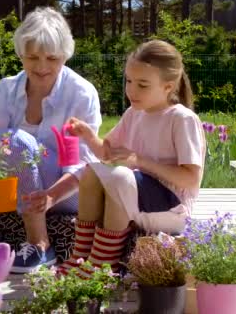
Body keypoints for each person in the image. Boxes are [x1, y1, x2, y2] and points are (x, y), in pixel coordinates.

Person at [0, 7, 101, 273]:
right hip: (12, 185)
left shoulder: (81, 93)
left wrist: (50, 197)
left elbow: (82, 166)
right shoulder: (6, 89)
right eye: (33, 57)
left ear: (65, 55)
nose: (41, 66)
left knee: (17, 141)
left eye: (52, 58)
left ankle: (39, 244)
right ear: (20, 54)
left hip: (66, 189)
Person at [58, 39, 206, 278]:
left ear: (168, 87)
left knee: (119, 177)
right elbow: (106, 153)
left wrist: (140, 161)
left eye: (143, 85)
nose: (131, 90)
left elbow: (190, 179)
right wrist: (87, 135)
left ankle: (105, 263)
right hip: (138, 194)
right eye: (128, 81)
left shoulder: (181, 119)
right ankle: (81, 255)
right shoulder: (133, 114)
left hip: (172, 208)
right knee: (92, 170)